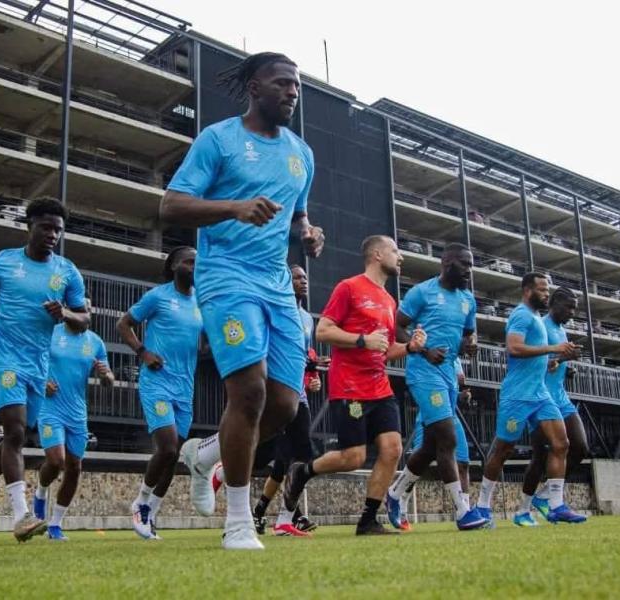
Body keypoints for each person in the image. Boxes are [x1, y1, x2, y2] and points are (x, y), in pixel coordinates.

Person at [161, 52, 324, 550]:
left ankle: (207, 454)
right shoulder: (219, 139)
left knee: (284, 404)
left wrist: (308, 233)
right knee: (248, 393)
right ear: (255, 88)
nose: (291, 93)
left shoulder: (302, 154)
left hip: (277, 285)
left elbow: (296, 215)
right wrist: (234, 207)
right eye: (281, 84)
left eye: (296, 86)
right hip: (226, 278)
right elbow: (170, 206)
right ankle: (238, 523)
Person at [0, 198, 89, 542]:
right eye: (46, 227)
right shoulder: (3, 263)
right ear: (29, 225)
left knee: (14, 436)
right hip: (5, 358)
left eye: (58, 230)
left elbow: (84, 320)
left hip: (38, 365)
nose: (52, 234)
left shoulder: (67, 271)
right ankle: (21, 517)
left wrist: (65, 314)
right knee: (16, 433)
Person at [282, 236, 425, 536]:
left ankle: (368, 520)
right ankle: (303, 471)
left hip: (380, 386)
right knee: (353, 457)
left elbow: (384, 350)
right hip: (349, 386)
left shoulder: (388, 300)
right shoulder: (348, 287)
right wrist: (362, 340)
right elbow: (323, 331)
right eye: (395, 251)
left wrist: (409, 347)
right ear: (376, 254)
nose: (401, 258)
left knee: (392, 449)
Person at [385, 243, 488, 531]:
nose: (469, 270)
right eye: (464, 264)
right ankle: (463, 512)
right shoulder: (422, 292)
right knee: (448, 437)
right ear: (447, 263)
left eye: (471, 264)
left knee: (431, 447)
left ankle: (394, 494)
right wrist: (424, 349)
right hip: (423, 373)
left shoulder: (468, 300)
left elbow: (467, 335)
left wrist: (470, 345)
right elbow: (397, 326)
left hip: (449, 377)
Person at [476, 273, 586, 526]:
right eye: (542, 290)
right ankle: (482, 506)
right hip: (517, 395)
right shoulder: (521, 315)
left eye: (548, 290)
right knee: (503, 449)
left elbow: (544, 361)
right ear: (527, 291)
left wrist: (562, 359)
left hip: (541, 394)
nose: (546, 294)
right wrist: (554, 349)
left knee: (562, 444)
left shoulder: (536, 317)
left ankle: (556, 505)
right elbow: (513, 348)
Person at [116, 246, 203, 541]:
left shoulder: (201, 302)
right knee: (165, 448)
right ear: (174, 266)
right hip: (157, 383)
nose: (194, 265)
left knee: (173, 456)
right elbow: (123, 324)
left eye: (197, 262)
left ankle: (151, 512)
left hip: (185, 388)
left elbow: (200, 347)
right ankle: (140, 503)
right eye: (189, 261)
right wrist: (143, 352)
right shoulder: (158, 296)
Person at [248, 264, 329, 536]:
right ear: (285, 281)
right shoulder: (276, 308)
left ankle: (278, 515)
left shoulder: (307, 318)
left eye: (305, 277)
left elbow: (303, 356)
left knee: (295, 458)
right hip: (275, 393)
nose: (303, 281)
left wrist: (312, 375)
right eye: (297, 277)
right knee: (276, 459)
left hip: (299, 394)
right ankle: (281, 515)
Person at [33, 299, 114, 541]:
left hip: (77, 413)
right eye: (80, 309)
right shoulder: (51, 333)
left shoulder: (95, 343)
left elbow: (108, 378)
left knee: (75, 467)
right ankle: (40, 492)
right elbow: (31, 361)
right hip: (49, 408)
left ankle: (55, 524)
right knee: (57, 460)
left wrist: (105, 375)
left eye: (88, 309)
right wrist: (40, 382)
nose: (84, 313)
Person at [514, 287, 589, 526]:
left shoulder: (561, 330)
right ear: (555, 303)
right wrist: (561, 359)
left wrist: (569, 367)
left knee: (580, 447)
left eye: (574, 309)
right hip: (540, 397)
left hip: (561, 398)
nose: (571, 313)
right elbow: (535, 363)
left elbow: (556, 363)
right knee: (540, 457)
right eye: (568, 307)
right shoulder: (541, 326)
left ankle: (545, 495)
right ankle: (523, 510)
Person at [395, 359, 473, 530]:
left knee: (464, 462)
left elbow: (457, 381)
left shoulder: (456, 356)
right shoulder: (435, 349)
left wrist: (461, 396)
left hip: (450, 413)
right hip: (430, 412)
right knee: (421, 461)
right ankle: (401, 501)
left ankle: (465, 509)